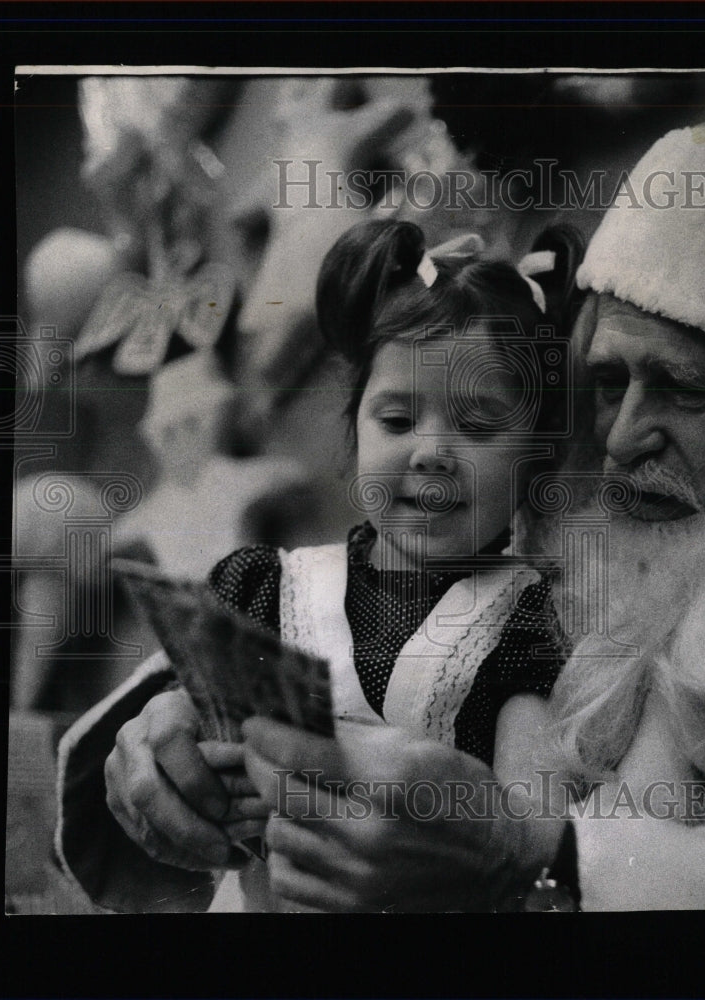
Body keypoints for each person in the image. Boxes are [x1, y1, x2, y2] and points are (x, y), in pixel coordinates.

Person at [235, 102, 705, 910]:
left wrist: (547, 864)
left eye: (682, 388)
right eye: (608, 383)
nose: (619, 440)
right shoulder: (528, 590)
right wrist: (161, 748)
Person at [54, 220, 585, 912]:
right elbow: (184, 743)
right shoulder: (268, 589)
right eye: (396, 421)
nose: (429, 452)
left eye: (479, 426)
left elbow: (525, 841)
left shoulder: (529, 625)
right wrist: (204, 771)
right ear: (354, 437)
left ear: (535, 462)